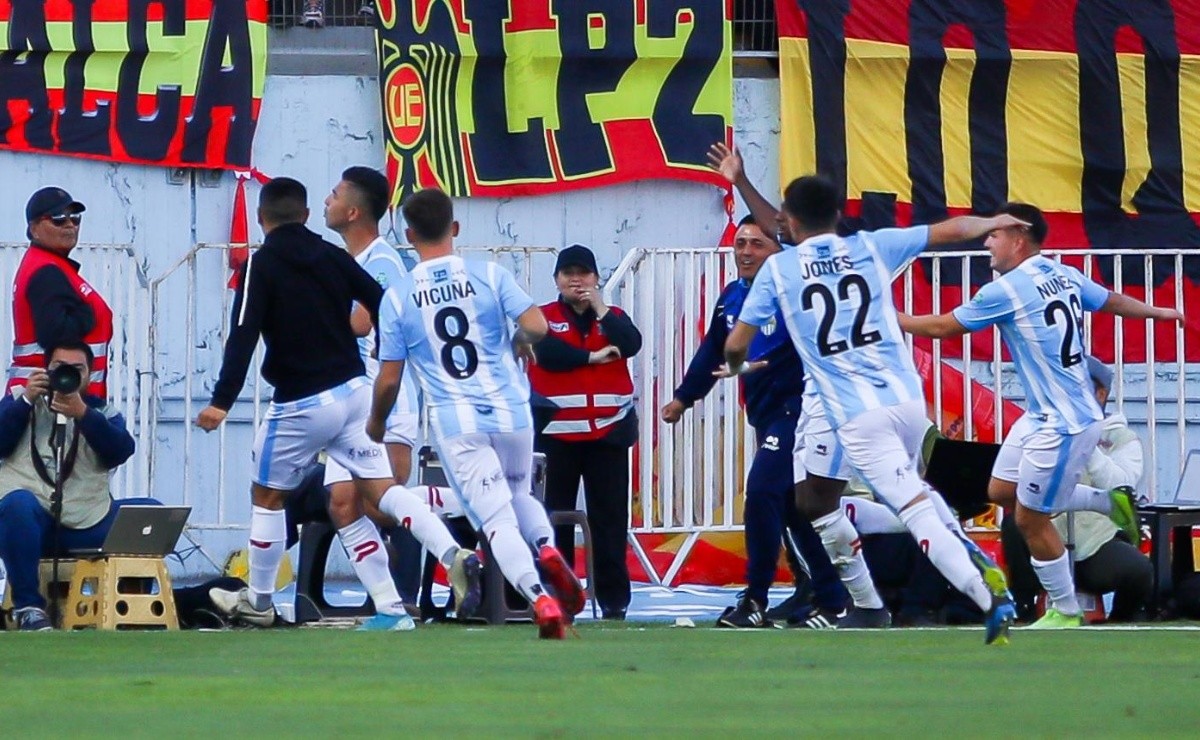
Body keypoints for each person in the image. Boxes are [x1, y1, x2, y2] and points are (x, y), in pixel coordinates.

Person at [725, 174, 1022, 644]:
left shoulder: (779, 271)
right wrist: (992, 220)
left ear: (791, 221)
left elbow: (737, 343)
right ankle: (868, 607)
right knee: (813, 499)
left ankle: (986, 591)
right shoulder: (871, 246)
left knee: (910, 506)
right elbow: (949, 229)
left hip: (858, 413)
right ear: (837, 217)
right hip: (902, 399)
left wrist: (736, 366)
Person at [195, 177, 478, 631]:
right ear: (305, 215)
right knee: (361, 497)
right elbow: (386, 306)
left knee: (267, 498)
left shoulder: (259, 266)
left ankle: (260, 602)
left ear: (261, 218)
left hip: (302, 402)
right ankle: (429, 574)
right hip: (354, 397)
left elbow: (244, 334)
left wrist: (221, 402)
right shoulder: (333, 257)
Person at [899, 202, 1184, 628]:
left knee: (1030, 518)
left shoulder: (1008, 290)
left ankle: (1065, 611)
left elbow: (943, 327)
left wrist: (890, 318)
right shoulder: (1061, 273)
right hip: (1043, 414)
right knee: (999, 491)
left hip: (1064, 422)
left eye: (993, 235)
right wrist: (1158, 312)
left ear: (1018, 235)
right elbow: (1110, 300)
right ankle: (1108, 501)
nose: (987, 244)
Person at [367, 187, 584, 639]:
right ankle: (547, 548)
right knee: (521, 493)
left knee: (496, 519)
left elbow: (389, 378)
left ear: (408, 235)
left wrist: (376, 422)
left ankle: (540, 598)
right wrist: (520, 341)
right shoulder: (489, 273)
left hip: (458, 420)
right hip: (512, 409)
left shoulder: (400, 297)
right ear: (456, 228)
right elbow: (537, 326)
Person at [660, 216, 847, 628]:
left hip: (798, 409)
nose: (745, 251)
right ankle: (823, 592)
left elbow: (801, 347)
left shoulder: (793, 293)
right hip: (765, 413)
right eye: (740, 243)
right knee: (791, 507)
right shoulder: (731, 298)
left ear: (779, 253)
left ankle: (756, 597)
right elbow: (713, 350)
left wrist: (754, 363)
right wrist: (683, 399)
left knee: (762, 492)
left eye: (757, 244)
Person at [321, 165, 429, 607]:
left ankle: (417, 579)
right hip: (353, 402)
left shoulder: (382, 261)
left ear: (352, 211)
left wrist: (310, 328)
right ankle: (386, 599)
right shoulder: (351, 261)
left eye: (332, 194)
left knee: (381, 501)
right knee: (342, 503)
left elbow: (362, 324)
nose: (325, 202)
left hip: (389, 399)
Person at [0, 341, 158, 630]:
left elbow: (119, 451)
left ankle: (131, 608)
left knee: (150, 514)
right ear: (46, 370)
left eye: (77, 370)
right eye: (60, 369)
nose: (67, 377)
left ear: (89, 375)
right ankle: (29, 607)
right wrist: (25, 403)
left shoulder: (102, 412)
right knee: (15, 504)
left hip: (88, 520)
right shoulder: (20, 401)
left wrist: (83, 414)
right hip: (32, 526)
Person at [527, 243, 639, 620]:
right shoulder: (541, 318)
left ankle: (614, 601)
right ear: (556, 279)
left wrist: (602, 309)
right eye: (568, 273)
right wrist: (590, 357)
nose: (577, 280)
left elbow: (632, 343)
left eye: (584, 273)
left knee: (609, 521)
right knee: (552, 520)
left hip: (607, 435)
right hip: (556, 436)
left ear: (596, 278)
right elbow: (546, 354)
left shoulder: (614, 318)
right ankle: (561, 596)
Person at [1001, 355, 1153, 623]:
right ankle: (1022, 609)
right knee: (1014, 525)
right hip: (1048, 534)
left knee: (1138, 569)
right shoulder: (1041, 429)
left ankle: (1121, 621)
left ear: (1101, 393)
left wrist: (1086, 442)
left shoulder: (1122, 438)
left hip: (1097, 542)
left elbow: (1121, 484)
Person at [8, 187, 112, 400]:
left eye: (75, 218)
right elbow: (58, 335)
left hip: (59, 397)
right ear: (34, 228)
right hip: (52, 402)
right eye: (58, 219)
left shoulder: (48, 265)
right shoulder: (46, 271)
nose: (69, 225)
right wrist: (88, 311)